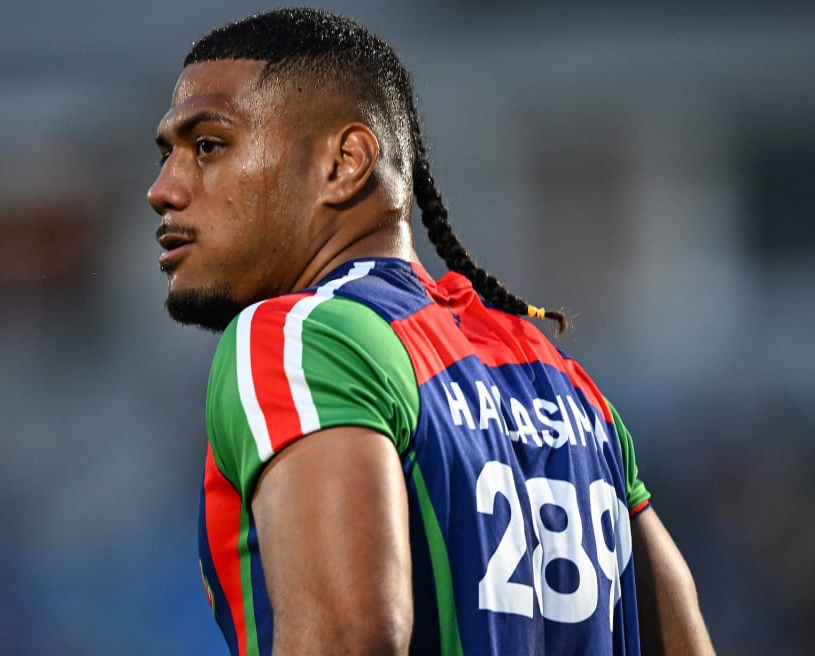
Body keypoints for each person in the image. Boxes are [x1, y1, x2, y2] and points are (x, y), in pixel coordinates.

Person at [147, 7, 714, 655]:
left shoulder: (303, 337)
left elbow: (348, 640)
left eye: (209, 146)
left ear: (345, 161)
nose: (163, 189)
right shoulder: (569, 387)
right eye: (168, 155)